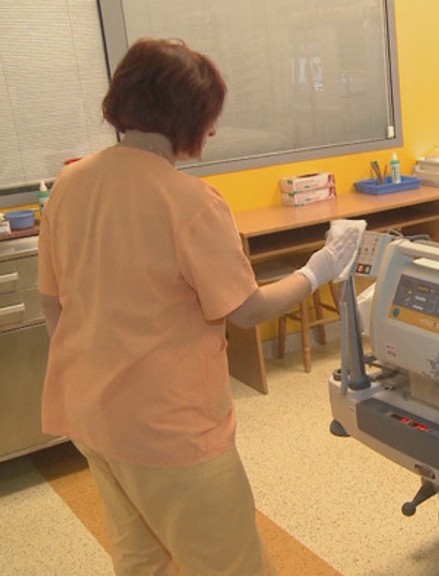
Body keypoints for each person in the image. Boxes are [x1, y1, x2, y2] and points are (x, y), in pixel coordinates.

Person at [36, 38, 360, 576]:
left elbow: (52, 301)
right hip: (170, 430)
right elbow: (246, 310)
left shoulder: (70, 185)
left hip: (93, 416)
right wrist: (317, 270)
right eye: (209, 116)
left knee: (142, 559)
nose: (212, 129)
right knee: (228, 563)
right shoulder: (189, 202)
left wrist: (88, 369)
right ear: (186, 116)